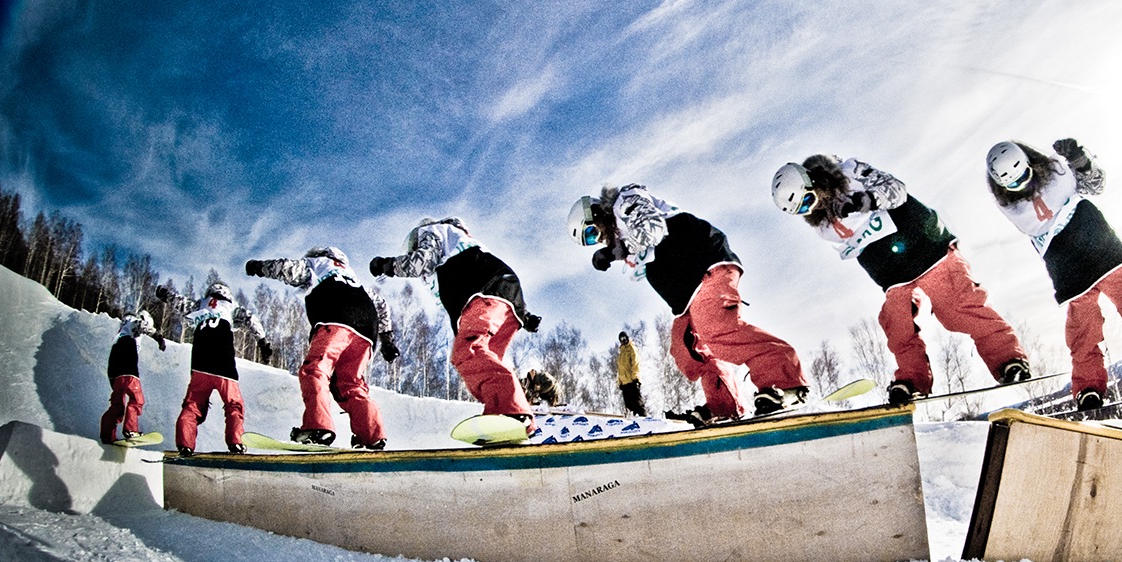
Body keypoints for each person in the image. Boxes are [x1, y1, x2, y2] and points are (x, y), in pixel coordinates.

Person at [772, 155, 1031, 405]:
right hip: (893, 273)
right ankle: (912, 380)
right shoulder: (822, 226)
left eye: (809, 199)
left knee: (958, 309)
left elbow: (896, 189)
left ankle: (1007, 360)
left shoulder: (850, 172)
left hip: (926, 248)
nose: (812, 208)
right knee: (897, 326)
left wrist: (868, 200)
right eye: (802, 210)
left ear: (812, 181)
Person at [569, 185, 809, 421]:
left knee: (717, 329)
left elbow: (651, 229)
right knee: (685, 348)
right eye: (589, 241)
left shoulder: (625, 201)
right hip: (688, 292)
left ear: (596, 213)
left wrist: (613, 252)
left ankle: (786, 384)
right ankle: (724, 405)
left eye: (591, 233)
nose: (597, 240)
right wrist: (621, 253)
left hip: (706, 263)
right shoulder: (624, 234)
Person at [986, 139, 1122, 411]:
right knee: (1084, 331)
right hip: (1069, 269)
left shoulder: (1057, 172)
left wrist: (1080, 161)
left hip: (1102, 251)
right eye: (1013, 185)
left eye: (1023, 176)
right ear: (1001, 187)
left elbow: (1096, 185)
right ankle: (1088, 387)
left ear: (1029, 164)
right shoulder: (1012, 207)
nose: (1022, 186)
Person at [368, 217, 542, 429]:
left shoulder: (433, 231)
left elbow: (420, 262)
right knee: (487, 363)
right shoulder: (463, 243)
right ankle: (509, 416)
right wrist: (526, 316)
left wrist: (386, 265)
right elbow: (498, 280)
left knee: (468, 352)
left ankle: (512, 412)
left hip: (483, 294)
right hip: (508, 301)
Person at [245, 247, 397, 450]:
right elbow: (381, 304)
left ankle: (318, 427)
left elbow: (286, 268)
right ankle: (372, 435)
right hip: (367, 331)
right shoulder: (353, 278)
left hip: (336, 319)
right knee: (350, 383)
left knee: (316, 370)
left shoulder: (317, 264)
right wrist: (387, 339)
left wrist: (258, 267)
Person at [158, 281, 269, 456]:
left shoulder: (200, 304)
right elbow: (251, 319)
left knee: (192, 405)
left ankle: (185, 444)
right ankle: (235, 442)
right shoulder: (231, 307)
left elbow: (180, 302)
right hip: (223, 363)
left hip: (200, 364)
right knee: (233, 404)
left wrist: (166, 295)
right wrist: (263, 342)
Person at [99, 306, 164, 444]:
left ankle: (107, 434)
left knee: (117, 404)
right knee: (136, 398)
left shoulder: (123, 328)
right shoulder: (133, 322)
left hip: (114, 367)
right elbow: (142, 325)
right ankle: (130, 429)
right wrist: (158, 337)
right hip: (127, 359)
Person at [615, 331, 648, 415]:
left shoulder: (631, 348)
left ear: (627, 338)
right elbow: (620, 369)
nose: (623, 340)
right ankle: (636, 417)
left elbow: (636, 363)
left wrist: (636, 378)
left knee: (637, 402)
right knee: (629, 404)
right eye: (621, 339)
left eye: (624, 338)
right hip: (624, 382)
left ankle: (643, 416)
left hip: (632, 380)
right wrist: (620, 382)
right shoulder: (621, 353)